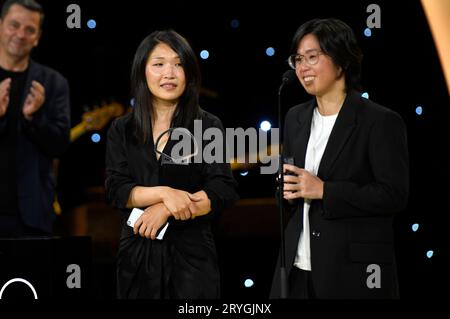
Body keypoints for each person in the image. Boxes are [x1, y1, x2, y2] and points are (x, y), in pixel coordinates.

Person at [270, 18, 409, 299]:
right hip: (296, 267)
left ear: (341, 60)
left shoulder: (379, 121)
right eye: (297, 59)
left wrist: (325, 190)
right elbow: (290, 192)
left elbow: (393, 195)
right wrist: (285, 191)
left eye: (312, 57)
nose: (302, 68)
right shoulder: (295, 117)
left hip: (352, 273)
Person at [105, 29, 239, 299]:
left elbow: (222, 188)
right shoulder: (122, 128)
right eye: (159, 64)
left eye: (178, 64)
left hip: (192, 258)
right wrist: (166, 194)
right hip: (137, 255)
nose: (169, 73)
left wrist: (165, 209)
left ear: (189, 72)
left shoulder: (207, 125)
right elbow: (116, 189)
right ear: (143, 71)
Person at [0, 0, 71, 237]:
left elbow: (60, 145)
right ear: (1, 26)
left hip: (31, 215)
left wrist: (32, 119)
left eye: (29, 29)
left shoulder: (53, 83)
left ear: (37, 37)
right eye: (14, 25)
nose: (20, 34)